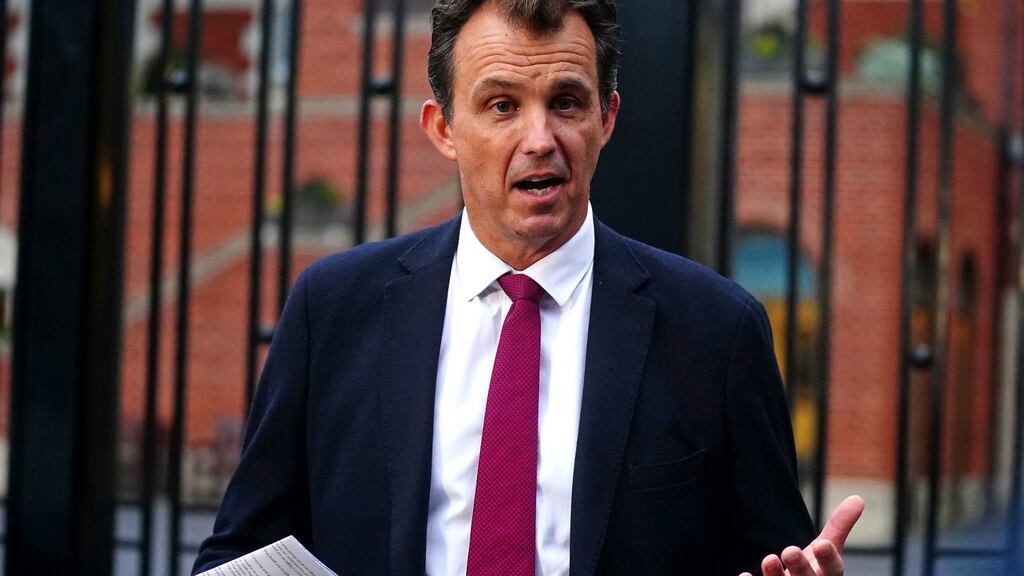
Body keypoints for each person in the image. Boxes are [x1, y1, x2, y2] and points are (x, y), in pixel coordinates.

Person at [194, 1, 865, 575]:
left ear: (606, 120)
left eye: (566, 102)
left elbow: (773, 554)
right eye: (502, 105)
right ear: (443, 129)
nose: (539, 139)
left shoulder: (717, 331)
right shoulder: (334, 309)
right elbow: (240, 552)